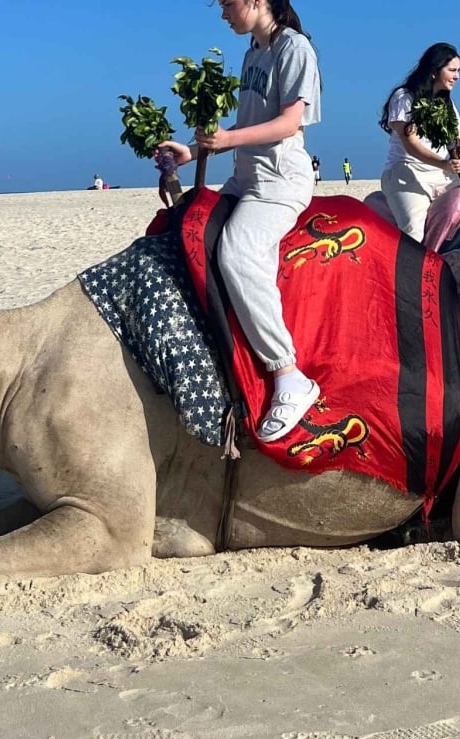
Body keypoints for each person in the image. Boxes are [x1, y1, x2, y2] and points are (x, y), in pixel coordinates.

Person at [156, 0, 322, 443]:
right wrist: (194, 151)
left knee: (238, 254)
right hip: (244, 178)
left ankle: (288, 374)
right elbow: (247, 124)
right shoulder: (253, 53)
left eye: (227, 3)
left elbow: (288, 124)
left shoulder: (294, 48)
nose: (223, 13)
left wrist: (227, 138)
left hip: (278, 181)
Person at [378, 42, 460, 242]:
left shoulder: (448, 105)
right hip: (407, 172)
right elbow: (410, 144)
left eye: (459, 71)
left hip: (444, 176)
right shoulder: (404, 97)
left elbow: (459, 143)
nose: (457, 76)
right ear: (434, 71)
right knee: (413, 232)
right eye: (452, 70)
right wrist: (443, 163)